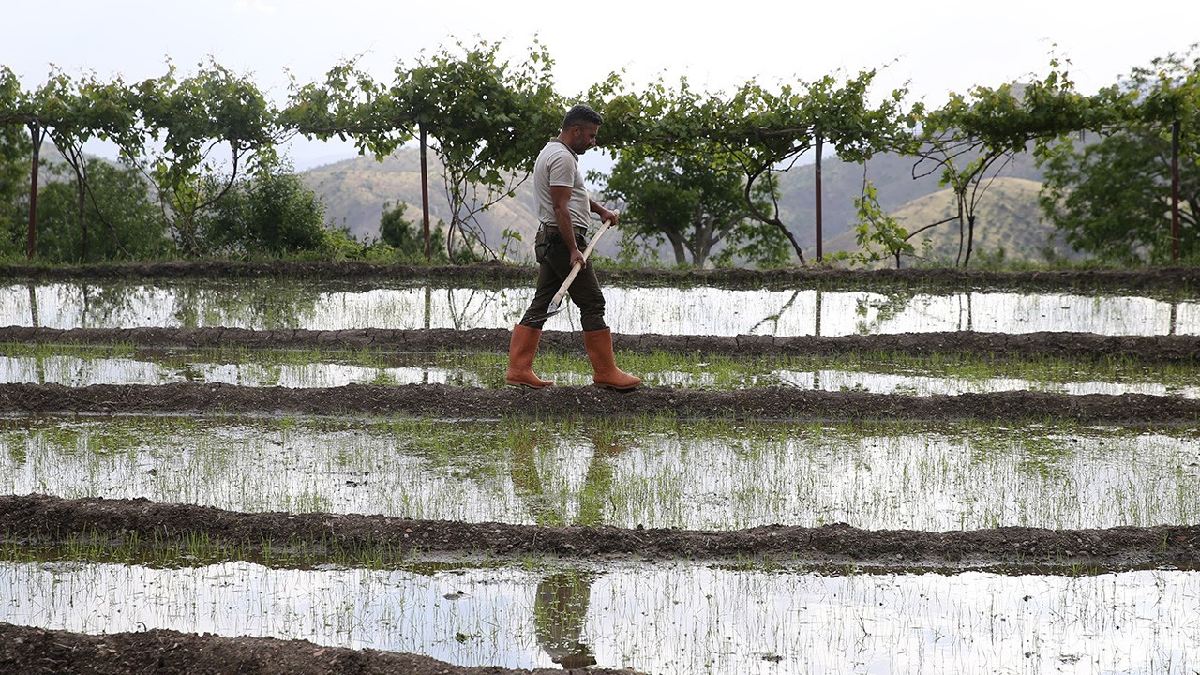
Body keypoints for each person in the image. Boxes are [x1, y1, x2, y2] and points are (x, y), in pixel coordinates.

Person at [505, 104, 641, 391]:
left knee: (541, 302)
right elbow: (560, 207)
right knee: (592, 302)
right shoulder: (563, 158)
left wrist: (600, 210)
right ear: (575, 131)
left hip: (553, 239)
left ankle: (519, 369)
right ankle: (606, 372)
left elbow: (572, 195)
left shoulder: (552, 152)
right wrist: (573, 249)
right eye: (590, 136)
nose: (593, 142)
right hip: (562, 241)